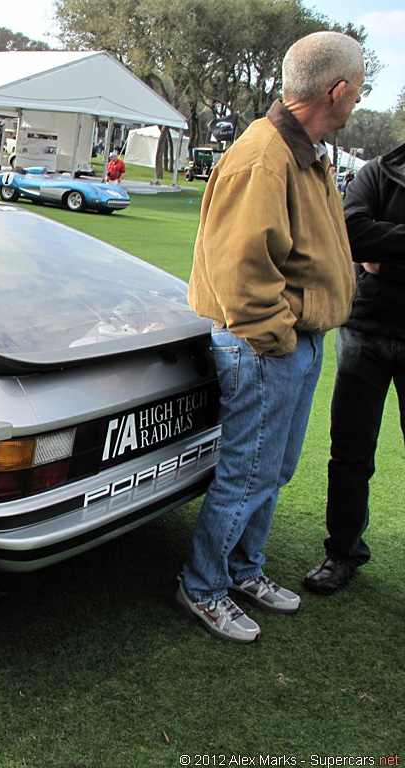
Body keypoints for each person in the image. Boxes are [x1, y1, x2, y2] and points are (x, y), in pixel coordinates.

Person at [175, 31, 364, 643]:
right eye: (357, 92)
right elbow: (242, 274)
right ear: (335, 91)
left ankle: (242, 571)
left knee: (273, 469)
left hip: (291, 343)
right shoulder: (266, 155)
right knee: (247, 472)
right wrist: (281, 340)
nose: (356, 103)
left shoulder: (302, 150)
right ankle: (201, 587)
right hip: (264, 345)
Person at [303, 140, 405, 595]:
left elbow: (370, 243)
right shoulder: (379, 171)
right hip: (364, 329)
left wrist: (387, 260)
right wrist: (371, 255)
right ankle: (342, 552)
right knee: (350, 450)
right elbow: (351, 232)